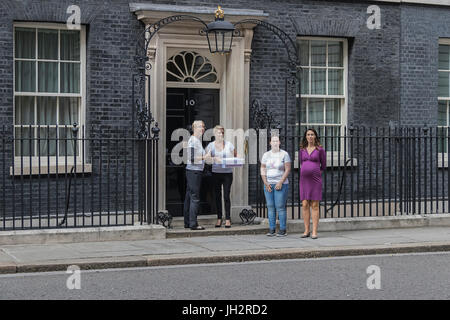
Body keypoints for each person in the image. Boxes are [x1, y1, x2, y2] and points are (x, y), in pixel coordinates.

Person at [260, 135, 291, 237]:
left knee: (280, 207)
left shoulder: (284, 154)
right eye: (273, 141)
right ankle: (272, 229)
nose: (275, 143)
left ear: (279, 143)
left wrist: (281, 182)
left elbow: (287, 169)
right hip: (269, 184)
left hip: (280, 184)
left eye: (277, 141)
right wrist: (265, 182)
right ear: (270, 143)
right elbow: (263, 168)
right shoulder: (266, 155)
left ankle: (282, 229)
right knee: (270, 207)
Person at [206, 125, 236, 228]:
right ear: (215, 134)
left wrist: (230, 160)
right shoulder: (211, 146)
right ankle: (219, 218)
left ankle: (227, 219)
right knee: (217, 196)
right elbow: (207, 159)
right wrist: (214, 158)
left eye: (222, 132)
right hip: (216, 173)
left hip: (227, 173)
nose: (221, 134)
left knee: (226, 196)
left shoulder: (229, 145)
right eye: (219, 133)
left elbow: (235, 156)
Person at [299, 128, 326, 239]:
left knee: (314, 205)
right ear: (306, 137)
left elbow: (323, 166)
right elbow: (301, 163)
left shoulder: (320, 150)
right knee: (305, 204)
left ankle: (314, 231)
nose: (310, 136)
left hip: (315, 180)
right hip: (304, 180)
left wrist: (315, 173)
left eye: (312, 134)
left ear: (315, 136)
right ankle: (306, 230)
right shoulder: (302, 150)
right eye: (308, 134)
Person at [184, 120, 211, 230]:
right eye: (200, 126)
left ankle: (187, 222)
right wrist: (205, 157)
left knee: (189, 197)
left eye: (204, 126)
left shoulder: (196, 140)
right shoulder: (193, 141)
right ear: (194, 128)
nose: (203, 128)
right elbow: (192, 158)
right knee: (195, 198)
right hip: (194, 172)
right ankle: (193, 224)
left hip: (193, 171)